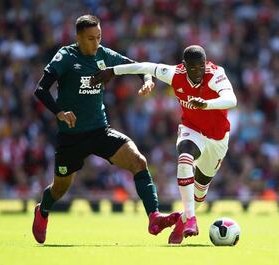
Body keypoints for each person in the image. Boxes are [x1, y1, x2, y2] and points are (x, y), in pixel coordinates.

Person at [32, 14, 180, 244]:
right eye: (91, 38)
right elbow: (41, 90)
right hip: (71, 137)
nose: (96, 43)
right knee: (60, 188)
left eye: (99, 37)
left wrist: (147, 80)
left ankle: (154, 216)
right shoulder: (66, 56)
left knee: (139, 162)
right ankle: (43, 210)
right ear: (78, 38)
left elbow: (138, 67)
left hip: (100, 131)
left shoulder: (104, 54)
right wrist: (60, 112)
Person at [91, 45, 237, 244]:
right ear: (184, 66)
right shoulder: (174, 74)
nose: (197, 72)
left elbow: (231, 99)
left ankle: (180, 220)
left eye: (200, 67)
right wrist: (112, 71)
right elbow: (144, 67)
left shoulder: (216, 74)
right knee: (185, 158)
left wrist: (206, 104)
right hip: (191, 129)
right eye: (192, 68)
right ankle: (191, 220)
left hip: (218, 139)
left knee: (200, 195)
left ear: (205, 64)